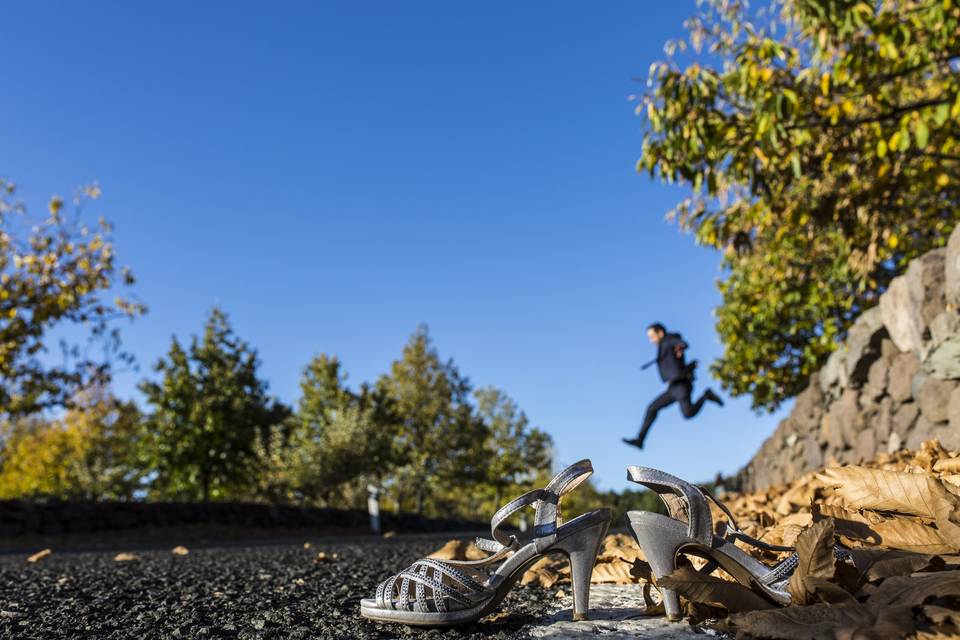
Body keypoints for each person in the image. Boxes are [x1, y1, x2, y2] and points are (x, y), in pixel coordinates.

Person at [622, 322, 723, 449]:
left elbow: (682, 342)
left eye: (652, 336)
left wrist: (680, 346)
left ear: (660, 333)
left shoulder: (668, 340)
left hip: (681, 385)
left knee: (688, 414)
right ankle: (640, 440)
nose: (651, 340)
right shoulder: (662, 346)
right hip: (672, 388)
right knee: (652, 408)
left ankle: (706, 396)